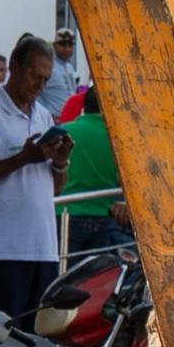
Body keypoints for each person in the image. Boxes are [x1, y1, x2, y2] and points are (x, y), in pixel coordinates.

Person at [0, 32, 72, 322]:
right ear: (15, 67)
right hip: (3, 249)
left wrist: (60, 163)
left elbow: (53, 188)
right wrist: (23, 158)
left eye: (46, 79)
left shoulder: (44, 116)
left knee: (39, 340)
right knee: (6, 338)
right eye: (35, 76)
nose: (40, 85)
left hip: (43, 248)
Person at [55, 83, 123, 255]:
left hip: (65, 215)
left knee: (65, 277)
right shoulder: (120, 138)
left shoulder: (64, 131)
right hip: (103, 216)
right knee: (96, 279)